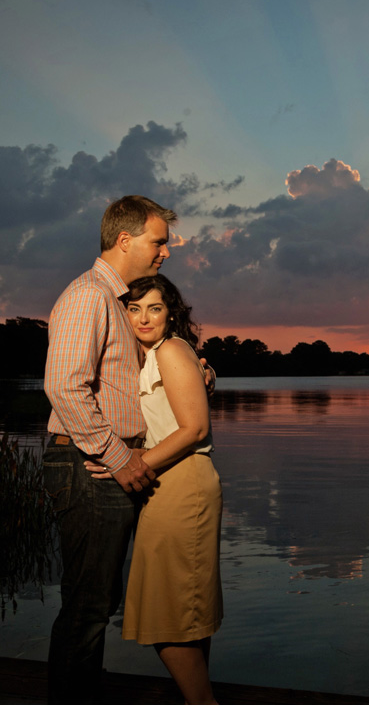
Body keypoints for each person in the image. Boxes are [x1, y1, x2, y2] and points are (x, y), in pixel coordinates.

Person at [43, 195, 194, 704]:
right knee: (87, 604)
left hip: (105, 463)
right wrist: (120, 457)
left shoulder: (118, 300)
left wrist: (203, 372)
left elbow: (147, 367)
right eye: (159, 242)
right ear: (125, 240)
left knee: (98, 599)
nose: (166, 253)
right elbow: (65, 387)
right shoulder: (88, 295)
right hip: (89, 465)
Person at [86, 274, 222, 704]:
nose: (144, 318)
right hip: (170, 484)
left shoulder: (173, 350)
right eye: (134, 308)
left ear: (171, 313)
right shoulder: (149, 357)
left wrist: (130, 462)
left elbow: (195, 428)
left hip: (183, 485)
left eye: (155, 308)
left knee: (170, 612)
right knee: (186, 609)